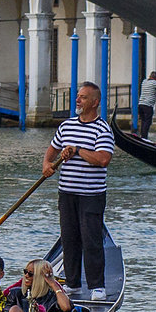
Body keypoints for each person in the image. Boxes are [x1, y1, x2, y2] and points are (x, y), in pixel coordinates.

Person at [48, 80, 114, 295]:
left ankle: (97, 286)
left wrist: (77, 150)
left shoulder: (103, 129)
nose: (78, 100)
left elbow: (103, 159)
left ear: (95, 102)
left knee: (91, 241)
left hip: (91, 195)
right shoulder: (66, 125)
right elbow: (52, 150)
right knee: (69, 239)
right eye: (78, 96)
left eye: (83, 97)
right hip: (67, 193)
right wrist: (47, 165)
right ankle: (73, 283)